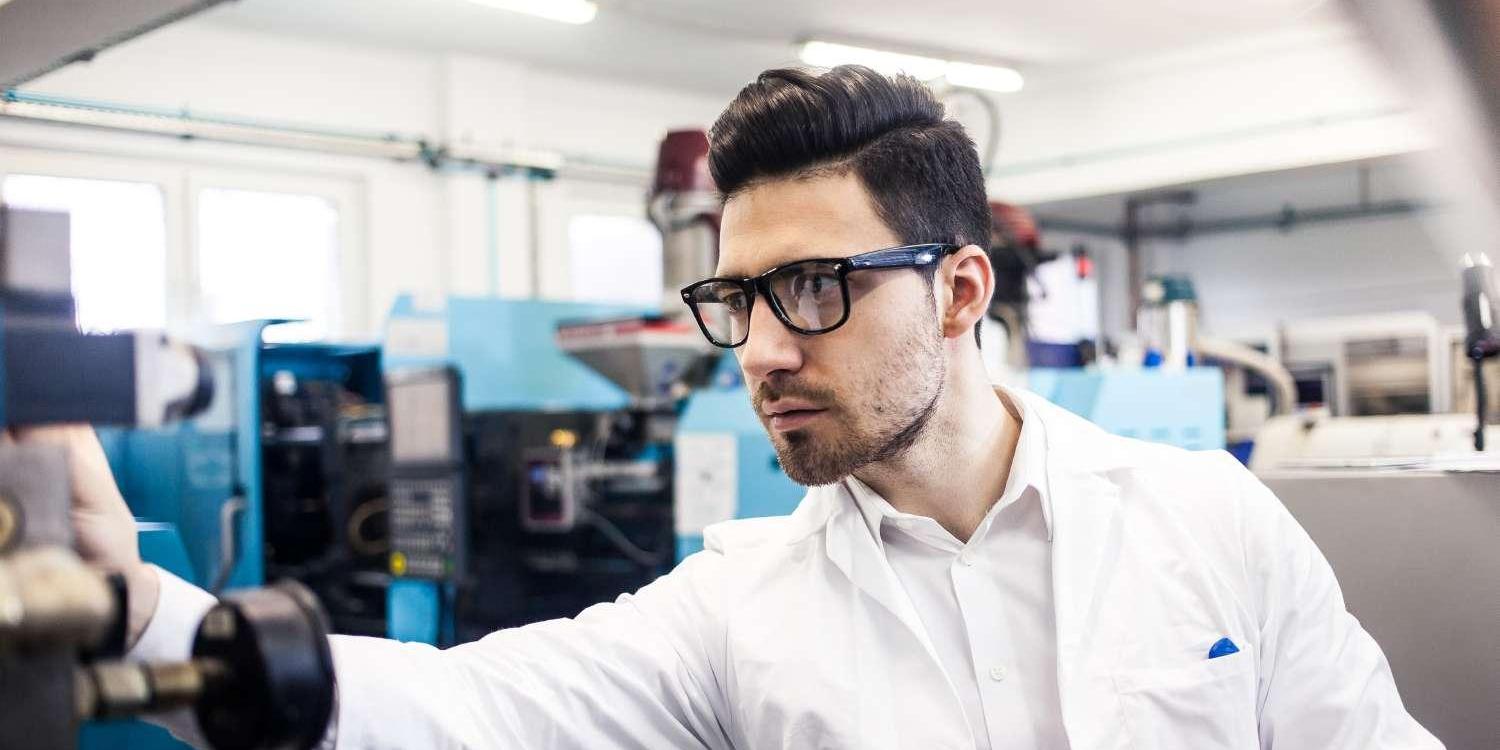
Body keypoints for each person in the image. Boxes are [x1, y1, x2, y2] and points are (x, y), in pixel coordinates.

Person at [40, 65, 1440, 749]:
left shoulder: (1210, 522)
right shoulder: (739, 605)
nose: (760, 346)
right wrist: (137, 606)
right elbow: (456, 709)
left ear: (960, 290)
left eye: (817, 286)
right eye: (738, 296)